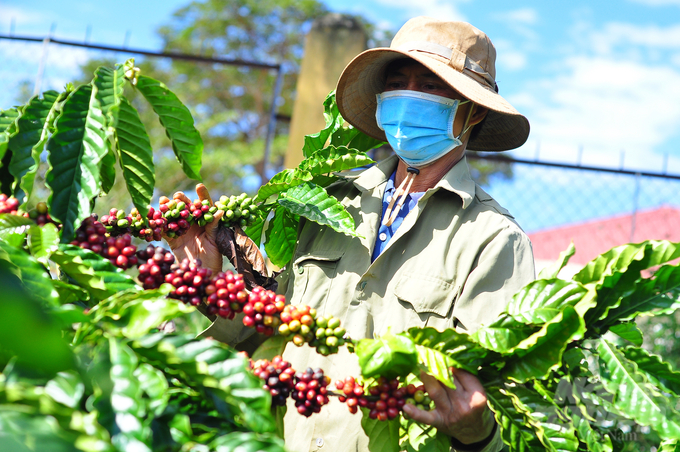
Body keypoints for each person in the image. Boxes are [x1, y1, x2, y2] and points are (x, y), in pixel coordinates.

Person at [169, 16, 535, 452]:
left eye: (430, 85)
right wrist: (209, 285)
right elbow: (266, 328)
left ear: (471, 110)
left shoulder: (492, 240)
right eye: (398, 82)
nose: (408, 96)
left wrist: (478, 436)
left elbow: (501, 405)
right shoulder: (329, 207)